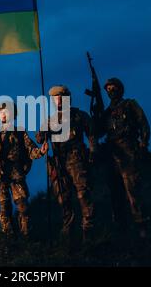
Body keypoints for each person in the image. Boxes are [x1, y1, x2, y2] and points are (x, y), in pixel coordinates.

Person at [36, 85, 96, 242]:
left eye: (61, 97)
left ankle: (88, 233)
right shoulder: (50, 120)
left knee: (84, 195)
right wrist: (43, 134)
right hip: (59, 164)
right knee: (64, 199)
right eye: (55, 98)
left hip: (77, 162)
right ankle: (68, 236)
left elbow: (92, 133)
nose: (58, 100)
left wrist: (92, 152)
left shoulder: (78, 115)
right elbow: (39, 138)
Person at [100, 78, 150, 238]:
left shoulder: (130, 105)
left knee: (133, 190)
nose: (111, 90)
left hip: (128, 151)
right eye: (108, 88)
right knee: (115, 193)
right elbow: (99, 131)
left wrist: (143, 144)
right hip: (112, 154)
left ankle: (141, 226)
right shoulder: (106, 112)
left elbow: (143, 123)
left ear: (120, 89)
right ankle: (121, 229)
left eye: (114, 87)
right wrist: (96, 112)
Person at [0, 102, 48, 237]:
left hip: (16, 174)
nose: (3, 114)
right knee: (4, 209)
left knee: (23, 207)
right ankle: (8, 238)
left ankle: (26, 237)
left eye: (6, 111)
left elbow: (30, 150)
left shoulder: (20, 132)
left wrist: (41, 151)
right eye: (1, 112)